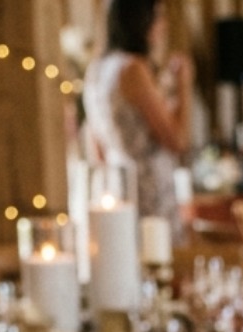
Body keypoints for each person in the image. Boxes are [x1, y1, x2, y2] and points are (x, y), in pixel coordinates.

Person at [83, 0, 192, 231]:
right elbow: (177, 140)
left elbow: (98, 148)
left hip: (117, 190)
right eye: (158, 16)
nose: (164, 25)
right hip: (150, 194)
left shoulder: (97, 69)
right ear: (142, 22)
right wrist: (184, 84)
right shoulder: (133, 69)